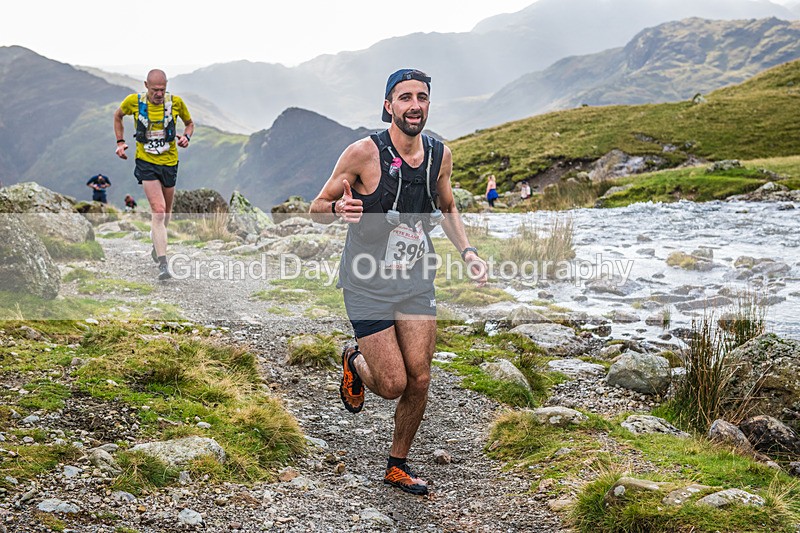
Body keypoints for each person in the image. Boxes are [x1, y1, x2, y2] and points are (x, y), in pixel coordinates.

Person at [309, 68, 487, 496]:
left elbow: (448, 206)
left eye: (421, 97)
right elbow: (317, 206)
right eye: (405, 97)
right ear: (389, 105)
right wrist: (337, 211)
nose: (414, 105)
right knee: (392, 384)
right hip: (366, 282)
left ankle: (397, 464)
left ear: (428, 104)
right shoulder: (363, 154)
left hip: (415, 279)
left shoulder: (439, 156)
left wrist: (468, 252)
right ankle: (354, 360)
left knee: (419, 378)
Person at [113, 69, 193, 280]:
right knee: (158, 211)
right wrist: (120, 142)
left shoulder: (176, 103)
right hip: (146, 163)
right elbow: (118, 116)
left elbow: (189, 124)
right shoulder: (133, 101)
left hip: (169, 163)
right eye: (155, 90)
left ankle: (157, 245)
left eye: (162, 90)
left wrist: (186, 137)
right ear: (146, 85)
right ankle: (163, 264)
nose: (158, 94)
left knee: (166, 214)